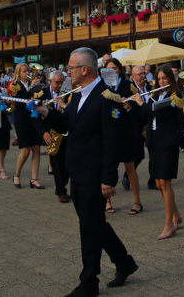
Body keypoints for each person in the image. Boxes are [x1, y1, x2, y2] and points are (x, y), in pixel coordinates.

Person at [35, 48, 138, 296]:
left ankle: (89, 282)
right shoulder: (78, 96)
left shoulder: (107, 98)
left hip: (94, 174)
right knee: (94, 223)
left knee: (88, 228)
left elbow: (113, 142)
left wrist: (107, 179)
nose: (67, 71)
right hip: (77, 171)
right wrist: (46, 113)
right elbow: (67, 124)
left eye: (70, 67)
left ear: (84, 70)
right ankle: (124, 262)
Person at [137, 65, 184, 239]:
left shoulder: (176, 96)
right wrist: (132, 105)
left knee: (165, 183)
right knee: (157, 183)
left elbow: (161, 113)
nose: (161, 81)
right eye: (159, 79)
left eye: (165, 78)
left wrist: (143, 103)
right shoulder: (155, 95)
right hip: (154, 142)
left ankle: (169, 224)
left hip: (168, 143)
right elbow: (146, 115)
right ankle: (176, 214)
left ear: (171, 79)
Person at [101, 59, 136, 213]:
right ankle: (107, 201)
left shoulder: (127, 85)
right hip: (108, 132)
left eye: (114, 69)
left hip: (125, 131)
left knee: (129, 166)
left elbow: (137, 107)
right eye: (108, 70)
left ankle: (137, 201)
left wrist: (128, 107)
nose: (112, 72)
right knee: (109, 166)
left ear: (120, 70)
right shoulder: (102, 87)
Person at [10, 63, 46, 189]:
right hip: (21, 119)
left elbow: (39, 99)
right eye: (24, 71)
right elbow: (20, 102)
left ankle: (34, 179)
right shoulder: (14, 85)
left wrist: (39, 89)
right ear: (18, 73)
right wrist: (31, 88)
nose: (27, 73)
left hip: (34, 118)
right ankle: (17, 174)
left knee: (36, 148)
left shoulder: (31, 84)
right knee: (25, 151)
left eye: (28, 71)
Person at [38, 70, 71, 202]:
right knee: (56, 165)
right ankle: (61, 191)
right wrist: (43, 132)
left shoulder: (68, 94)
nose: (60, 85)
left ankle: (62, 186)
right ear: (50, 82)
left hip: (66, 133)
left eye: (62, 82)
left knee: (67, 165)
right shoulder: (41, 94)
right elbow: (35, 117)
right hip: (51, 133)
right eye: (57, 82)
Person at [124, 65, 149, 210]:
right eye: (139, 74)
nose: (142, 76)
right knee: (138, 155)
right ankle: (128, 175)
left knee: (146, 155)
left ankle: (153, 180)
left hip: (149, 125)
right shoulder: (130, 89)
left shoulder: (149, 87)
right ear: (132, 76)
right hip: (137, 127)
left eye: (144, 73)